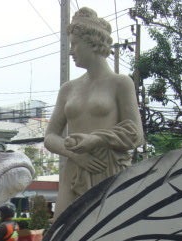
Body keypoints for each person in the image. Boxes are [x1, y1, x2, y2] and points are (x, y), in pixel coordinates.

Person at [44, 6, 144, 219]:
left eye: (74, 44)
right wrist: (76, 155)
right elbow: (50, 136)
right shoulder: (68, 89)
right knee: (64, 231)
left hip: (108, 170)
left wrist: (96, 139)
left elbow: (136, 134)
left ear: (93, 42)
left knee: (109, 231)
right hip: (75, 171)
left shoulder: (120, 83)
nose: (71, 51)